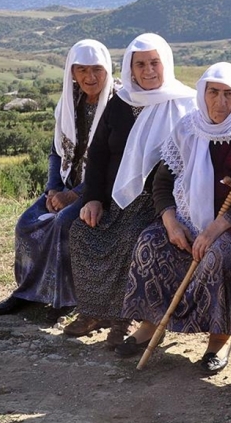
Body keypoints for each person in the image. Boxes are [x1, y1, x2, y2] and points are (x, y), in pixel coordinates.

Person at [115, 62, 231, 372]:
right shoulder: (188, 128)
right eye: (213, 92)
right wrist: (171, 221)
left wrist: (216, 228)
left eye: (229, 94)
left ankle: (219, 337)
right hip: (187, 218)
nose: (220, 102)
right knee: (151, 241)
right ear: (202, 94)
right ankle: (150, 323)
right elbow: (163, 182)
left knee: (220, 256)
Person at [63, 33, 197, 349]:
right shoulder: (120, 103)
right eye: (140, 64)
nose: (148, 70)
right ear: (130, 69)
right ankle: (94, 312)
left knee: (130, 238)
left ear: (166, 64)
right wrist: (93, 198)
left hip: (161, 203)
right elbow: (96, 154)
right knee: (82, 232)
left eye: (154, 63)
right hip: (116, 199)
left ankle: (125, 318)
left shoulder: (184, 104)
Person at [0, 39, 115, 321]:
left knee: (62, 223)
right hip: (64, 186)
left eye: (96, 69)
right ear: (72, 72)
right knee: (26, 224)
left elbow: (114, 166)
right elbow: (55, 151)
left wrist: (74, 196)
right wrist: (52, 189)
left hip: (100, 191)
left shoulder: (116, 106)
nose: (90, 77)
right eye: (82, 69)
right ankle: (27, 292)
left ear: (107, 70)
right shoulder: (69, 102)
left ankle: (64, 297)